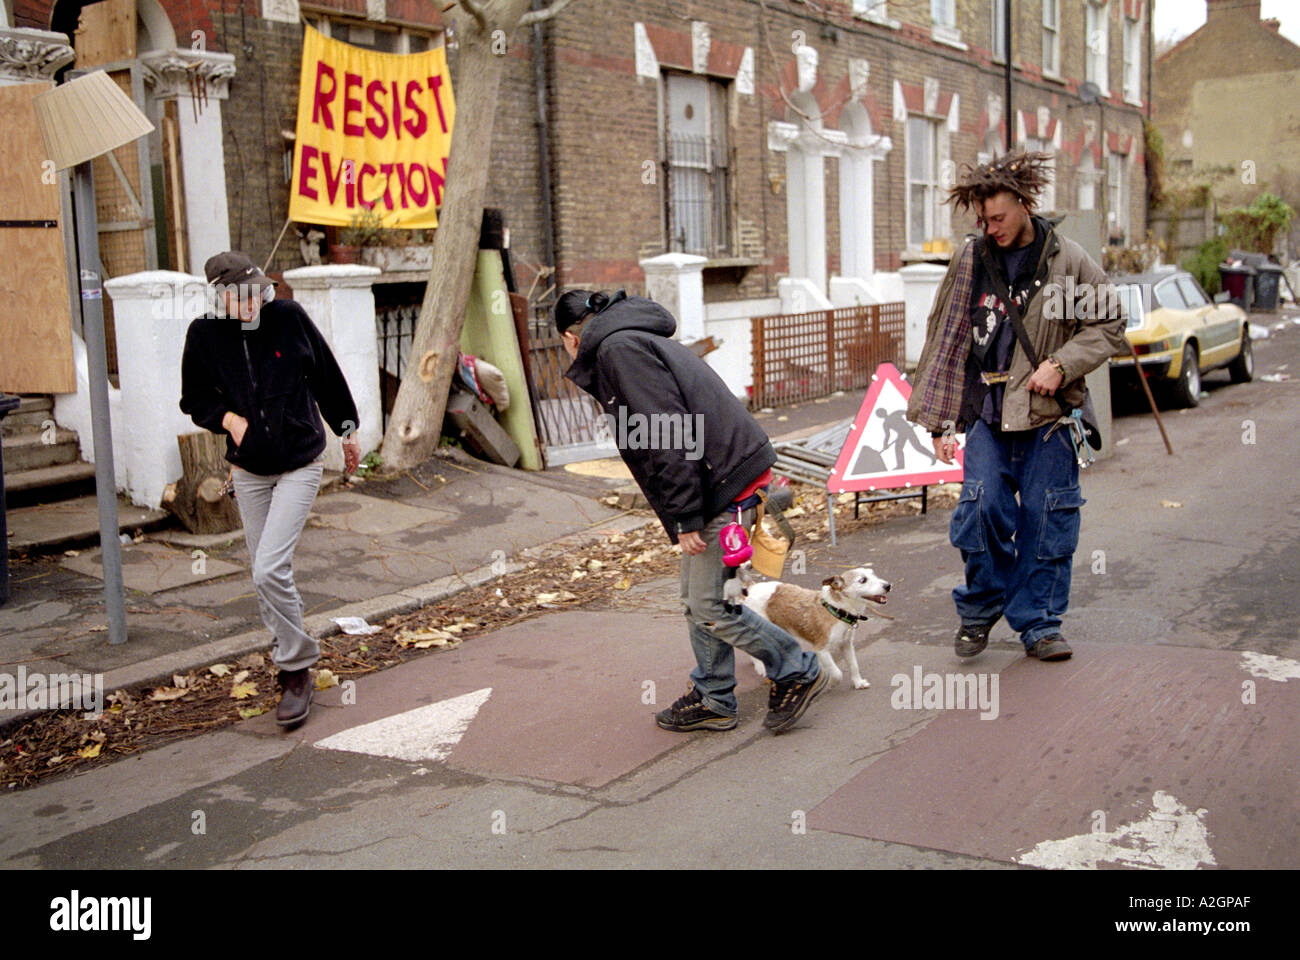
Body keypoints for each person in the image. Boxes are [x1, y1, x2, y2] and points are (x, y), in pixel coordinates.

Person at [559, 289, 825, 733]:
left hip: (716, 485)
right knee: (699, 600)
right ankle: (714, 695)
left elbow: (668, 434)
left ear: (570, 338)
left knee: (709, 606)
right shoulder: (631, 338)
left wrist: (685, 517)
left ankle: (796, 668)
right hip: (720, 476)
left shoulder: (619, 350)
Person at [906, 152, 1127, 662]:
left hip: (1048, 420)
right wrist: (941, 422)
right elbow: (947, 340)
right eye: (983, 220)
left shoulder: (1066, 260)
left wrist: (1064, 364)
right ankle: (981, 609)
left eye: (998, 218)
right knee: (979, 512)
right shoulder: (970, 260)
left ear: (1025, 205)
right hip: (988, 413)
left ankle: (1040, 624)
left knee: (1048, 523)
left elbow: (1111, 322)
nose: (991, 228)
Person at [179, 252, 361, 727]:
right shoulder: (204, 334)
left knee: (268, 568)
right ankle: (290, 654)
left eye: (255, 291)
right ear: (220, 296)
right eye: (238, 295)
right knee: (267, 574)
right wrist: (228, 418)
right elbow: (193, 398)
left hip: (301, 461)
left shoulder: (287, 317)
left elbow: (325, 375)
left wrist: (347, 430)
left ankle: (296, 670)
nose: (250, 302)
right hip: (249, 471)